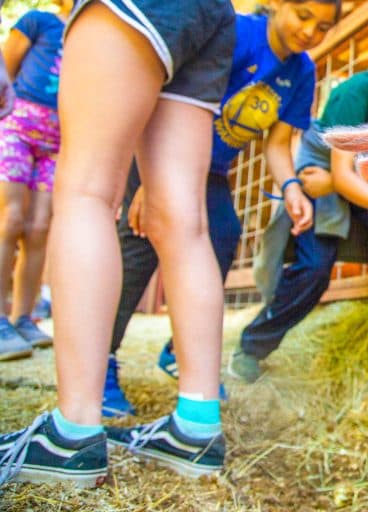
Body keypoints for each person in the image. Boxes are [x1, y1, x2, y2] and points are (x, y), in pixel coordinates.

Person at [0, 0, 236, 487]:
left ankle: (74, 432)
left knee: (85, 192)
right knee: (184, 219)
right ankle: (196, 426)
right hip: (212, 12)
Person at [101, 0, 341, 418]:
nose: (310, 32)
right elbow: (164, 94)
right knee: (138, 249)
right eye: (303, 17)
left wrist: (291, 188)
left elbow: (278, 144)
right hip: (159, 146)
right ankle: (100, 362)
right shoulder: (235, 33)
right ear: (280, 5)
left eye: (322, 27)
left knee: (223, 235)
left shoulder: (301, 71)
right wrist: (152, 178)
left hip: (208, 167)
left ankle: (183, 352)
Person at [229, 11, 368, 383]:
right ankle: (251, 348)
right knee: (314, 267)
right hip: (327, 166)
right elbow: (341, 174)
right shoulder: (353, 93)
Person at [0, 0, 72, 362]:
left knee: (40, 226)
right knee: (10, 220)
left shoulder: (92, 34)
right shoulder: (38, 21)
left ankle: (23, 318)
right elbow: (6, 67)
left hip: (56, 142)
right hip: (16, 128)